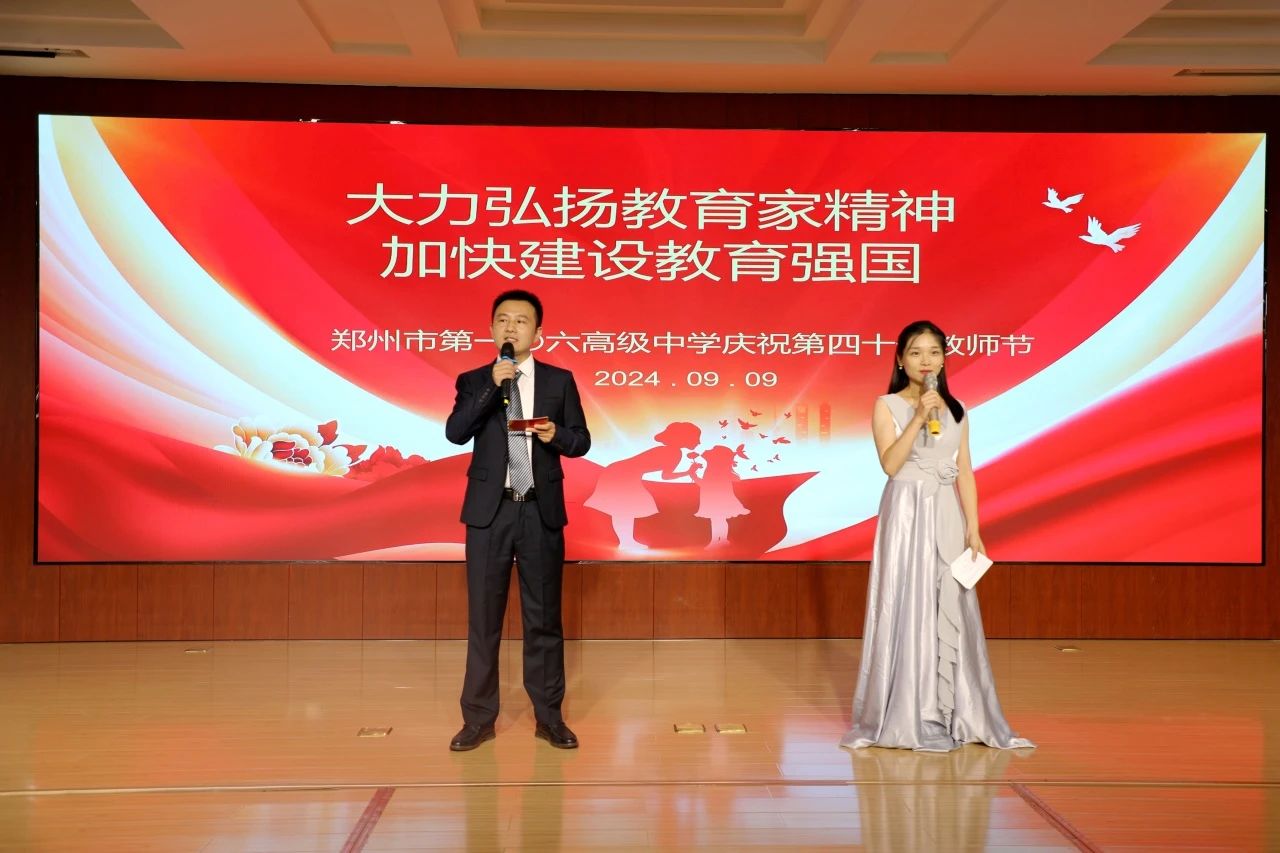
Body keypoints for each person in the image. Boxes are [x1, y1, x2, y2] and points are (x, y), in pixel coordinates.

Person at [841, 320, 1033, 752]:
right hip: (906, 511)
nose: (925, 360)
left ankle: (956, 709)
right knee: (908, 600)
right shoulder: (886, 405)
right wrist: (918, 418)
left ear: (944, 359)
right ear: (900, 360)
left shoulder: (958, 409)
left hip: (945, 508)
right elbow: (890, 465)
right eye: (915, 352)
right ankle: (909, 708)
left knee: (949, 599)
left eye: (933, 352)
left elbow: (964, 470)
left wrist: (973, 528)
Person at [445, 289, 591, 751]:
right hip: (490, 512)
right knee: (483, 620)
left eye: (521, 321)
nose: (511, 327)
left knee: (543, 619)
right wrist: (492, 385)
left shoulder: (559, 381)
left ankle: (549, 718)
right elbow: (455, 432)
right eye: (503, 320)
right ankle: (478, 720)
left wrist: (556, 434)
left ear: (538, 333)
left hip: (539, 509)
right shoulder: (474, 380)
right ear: (491, 329)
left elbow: (582, 440)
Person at [583, 421, 702, 551]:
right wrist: (688, 472)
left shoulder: (672, 452)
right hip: (623, 473)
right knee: (624, 509)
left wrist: (688, 472)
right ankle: (626, 541)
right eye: (696, 437)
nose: (699, 442)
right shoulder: (674, 453)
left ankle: (626, 541)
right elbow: (667, 476)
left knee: (625, 509)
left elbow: (665, 475)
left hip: (623, 472)